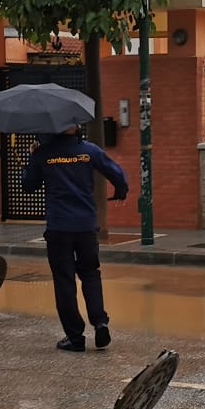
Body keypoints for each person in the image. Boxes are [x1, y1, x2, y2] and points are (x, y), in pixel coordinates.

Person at [23, 124, 128, 352]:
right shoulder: (89, 151)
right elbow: (117, 173)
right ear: (76, 128)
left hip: (59, 227)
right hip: (86, 226)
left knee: (64, 281)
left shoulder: (44, 153)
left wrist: (33, 158)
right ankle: (99, 321)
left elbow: (28, 185)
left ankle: (75, 337)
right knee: (91, 273)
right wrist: (121, 190)